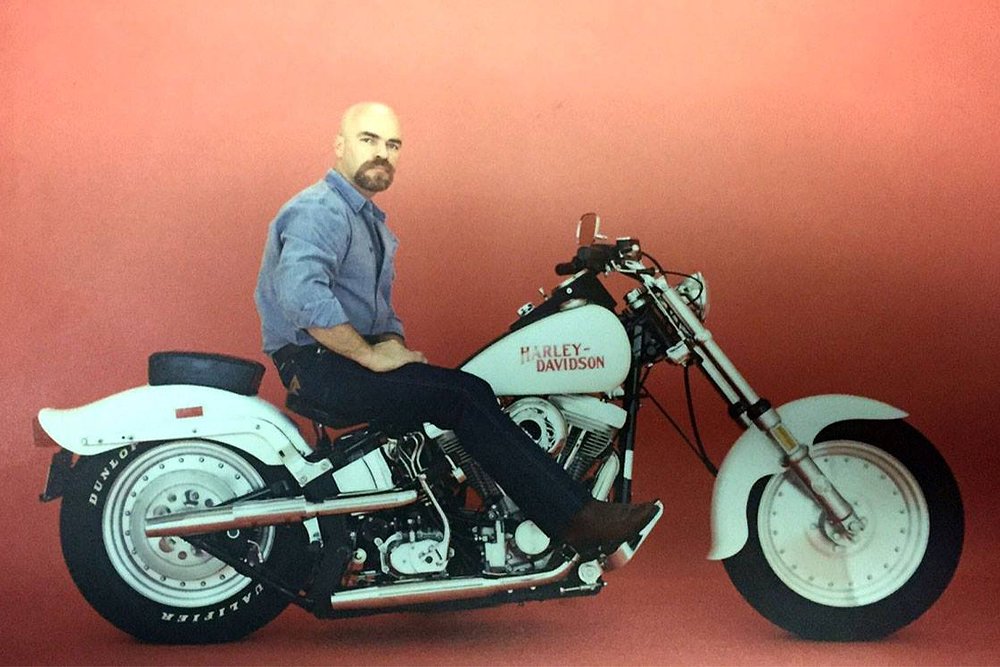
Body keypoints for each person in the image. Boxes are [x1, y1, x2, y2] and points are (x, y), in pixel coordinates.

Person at [254, 101, 658, 556]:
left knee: (455, 393)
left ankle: (467, 536)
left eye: (392, 145)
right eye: (368, 140)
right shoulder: (321, 209)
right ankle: (574, 518)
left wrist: (393, 348)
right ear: (340, 145)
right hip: (322, 366)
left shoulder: (369, 223)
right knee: (464, 394)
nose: (381, 153)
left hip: (337, 359)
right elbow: (302, 295)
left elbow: (378, 315)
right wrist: (370, 356)